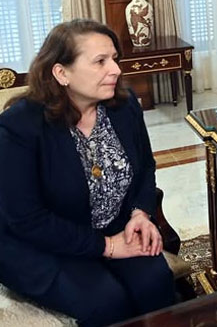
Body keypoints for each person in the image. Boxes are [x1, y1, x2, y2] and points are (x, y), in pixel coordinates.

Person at [0, 20, 175, 326]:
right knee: (106, 301)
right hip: (43, 245)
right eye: (100, 61)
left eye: (114, 59)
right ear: (61, 73)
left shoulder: (124, 105)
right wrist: (108, 247)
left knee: (156, 284)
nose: (116, 70)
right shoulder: (19, 127)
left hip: (114, 225)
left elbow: (145, 167)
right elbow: (27, 220)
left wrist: (140, 213)